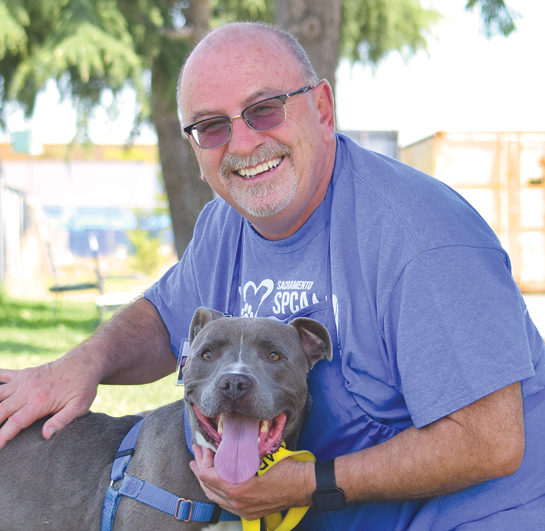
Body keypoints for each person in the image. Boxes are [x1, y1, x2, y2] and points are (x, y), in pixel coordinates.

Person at [1, 21, 544, 530]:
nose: (241, 144)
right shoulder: (229, 220)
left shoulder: (420, 238)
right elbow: (163, 317)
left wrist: (309, 484)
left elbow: (491, 441)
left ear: (324, 108)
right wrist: (82, 364)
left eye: (264, 110)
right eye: (211, 127)